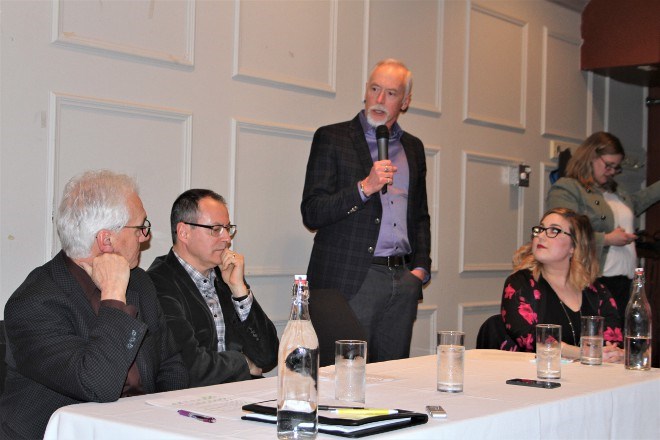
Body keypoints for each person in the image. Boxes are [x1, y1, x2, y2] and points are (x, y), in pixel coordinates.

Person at [0, 170, 188, 439]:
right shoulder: (33, 303)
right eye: (140, 227)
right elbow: (98, 385)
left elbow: (171, 364)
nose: (145, 237)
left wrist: (170, 422)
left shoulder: (140, 283)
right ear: (106, 240)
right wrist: (113, 294)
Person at [301, 59, 431, 362]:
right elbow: (312, 212)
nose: (380, 100)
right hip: (350, 281)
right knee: (346, 383)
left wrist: (420, 270)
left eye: (391, 93)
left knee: (393, 380)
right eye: (374, 89)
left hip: (401, 279)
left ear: (406, 101)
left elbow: (420, 214)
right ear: (365, 91)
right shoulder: (332, 138)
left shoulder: (413, 148)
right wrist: (365, 187)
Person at [147, 189, 279, 387]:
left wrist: (239, 291)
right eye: (216, 229)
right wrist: (243, 363)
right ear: (184, 232)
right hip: (189, 402)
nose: (227, 238)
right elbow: (187, 365)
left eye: (228, 228)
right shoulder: (159, 282)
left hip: (240, 393)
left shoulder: (225, 275)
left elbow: (268, 355)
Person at [546, 131, 660, 322]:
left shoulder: (616, 191)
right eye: (608, 165)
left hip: (627, 280)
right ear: (590, 156)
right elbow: (562, 231)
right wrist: (607, 239)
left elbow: (637, 202)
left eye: (616, 168)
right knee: (599, 342)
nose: (612, 172)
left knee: (622, 343)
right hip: (596, 279)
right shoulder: (568, 188)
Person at [500, 207, 623, 362]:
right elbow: (529, 339)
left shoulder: (597, 291)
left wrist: (613, 354)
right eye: (540, 229)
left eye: (554, 231)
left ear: (574, 246)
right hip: (533, 377)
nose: (541, 236)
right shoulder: (519, 283)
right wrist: (582, 353)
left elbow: (614, 339)